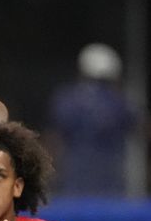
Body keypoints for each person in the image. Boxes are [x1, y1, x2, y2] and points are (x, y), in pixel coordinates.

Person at [48, 43, 137, 196]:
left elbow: (53, 140)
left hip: (74, 182)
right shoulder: (118, 101)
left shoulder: (67, 99)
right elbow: (147, 128)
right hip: (111, 184)